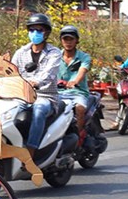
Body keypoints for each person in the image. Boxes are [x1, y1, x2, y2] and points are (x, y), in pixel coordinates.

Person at [11, 13, 63, 153]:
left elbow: (49, 74)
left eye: (39, 30)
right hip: (22, 95)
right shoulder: (21, 52)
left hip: (45, 96)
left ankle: (30, 149)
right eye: (31, 30)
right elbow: (11, 70)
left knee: (39, 110)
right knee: (5, 110)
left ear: (46, 33)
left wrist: (35, 82)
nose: (35, 33)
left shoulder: (54, 52)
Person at [57, 25, 92, 145]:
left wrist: (74, 82)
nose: (68, 42)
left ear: (76, 40)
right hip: (58, 93)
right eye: (65, 39)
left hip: (78, 92)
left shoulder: (84, 57)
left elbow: (82, 71)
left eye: (71, 39)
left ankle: (78, 137)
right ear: (61, 41)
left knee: (80, 108)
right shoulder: (55, 56)